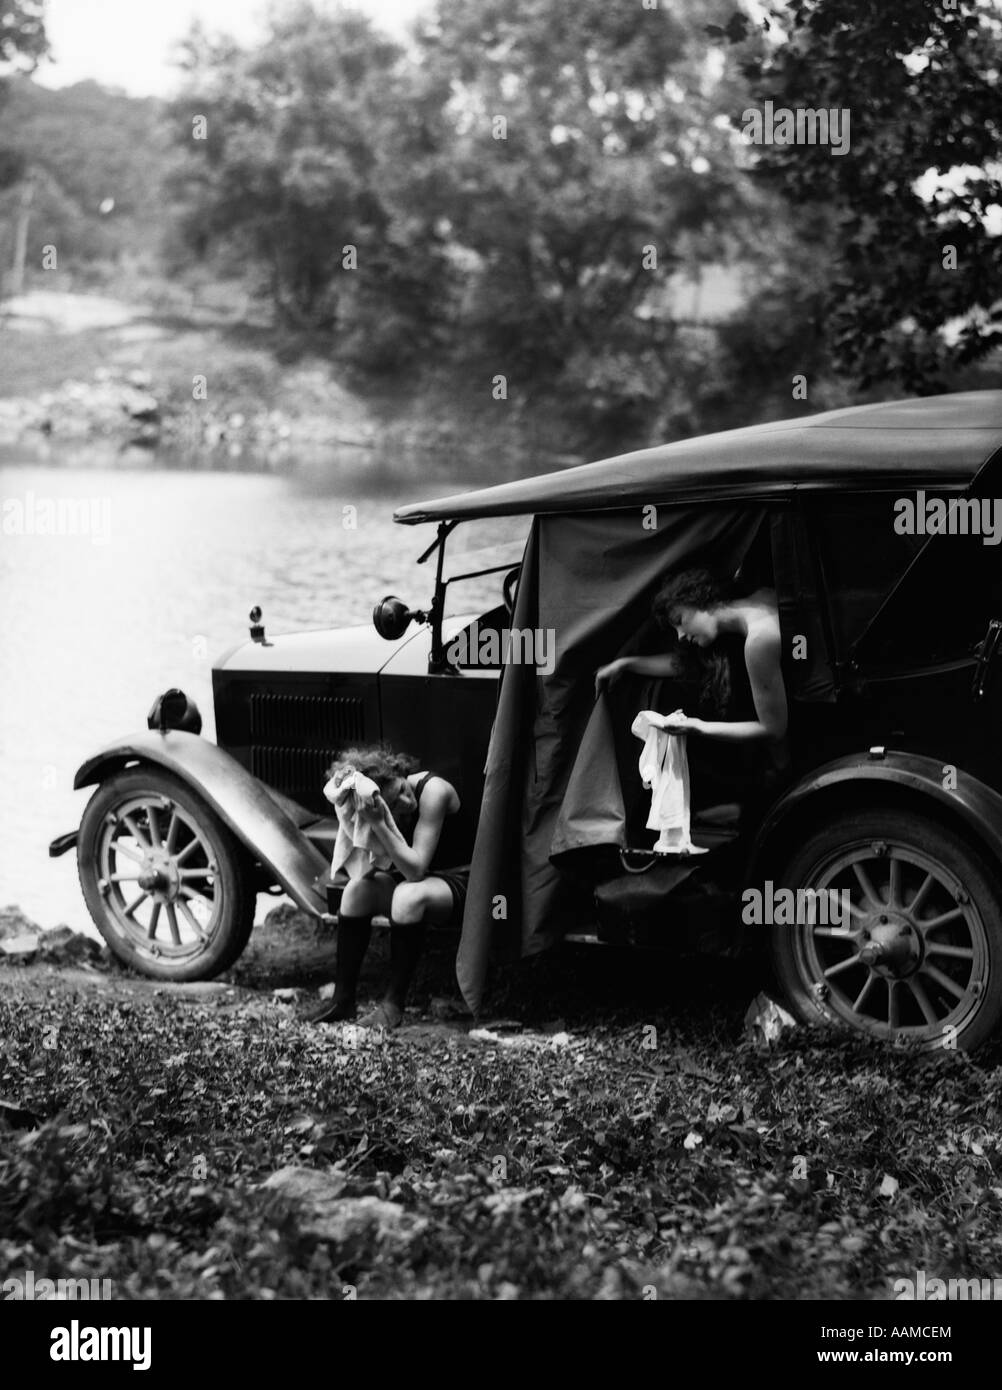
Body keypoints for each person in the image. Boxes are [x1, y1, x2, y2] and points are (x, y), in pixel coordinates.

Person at [305, 744, 469, 1029]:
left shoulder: (434, 791)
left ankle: (393, 1004)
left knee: (406, 896)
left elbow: (416, 869)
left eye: (404, 791)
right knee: (356, 891)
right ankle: (342, 1000)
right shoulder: (375, 805)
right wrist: (357, 818)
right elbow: (366, 871)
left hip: (464, 879)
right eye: (395, 803)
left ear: (402, 773)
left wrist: (379, 822)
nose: (406, 803)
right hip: (421, 878)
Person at [595, 566, 790, 790]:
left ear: (702, 599)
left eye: (680, 619)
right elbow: (684, 665)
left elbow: (774, 729)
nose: (680, 636)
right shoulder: (759, 600)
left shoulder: (758, 641)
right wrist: (626, 664)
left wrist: (697, 727)